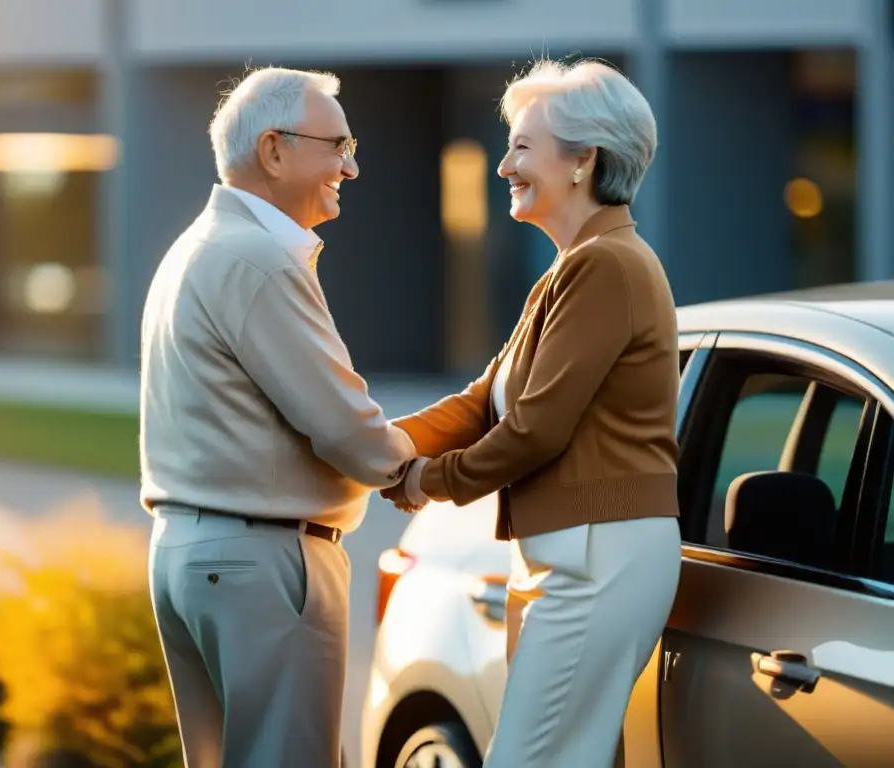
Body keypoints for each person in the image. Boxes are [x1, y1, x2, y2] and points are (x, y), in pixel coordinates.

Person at [384, 59, 682, 768]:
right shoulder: (571, 267)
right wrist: (371, 446)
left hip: (599, 559)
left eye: (523, 147)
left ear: (584, 158)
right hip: (574, 557)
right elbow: (480, 404)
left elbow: (534, 431)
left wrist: (426, 481)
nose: (503, 166)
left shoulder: (606, 266)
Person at [140, 66, 415, 768]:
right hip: (260, 565)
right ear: (273, 151)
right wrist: (433, 473)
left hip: (195, 558)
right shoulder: (258, 258)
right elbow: (347, 430)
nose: (350, 167)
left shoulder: (196, 247)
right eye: (338, 145)